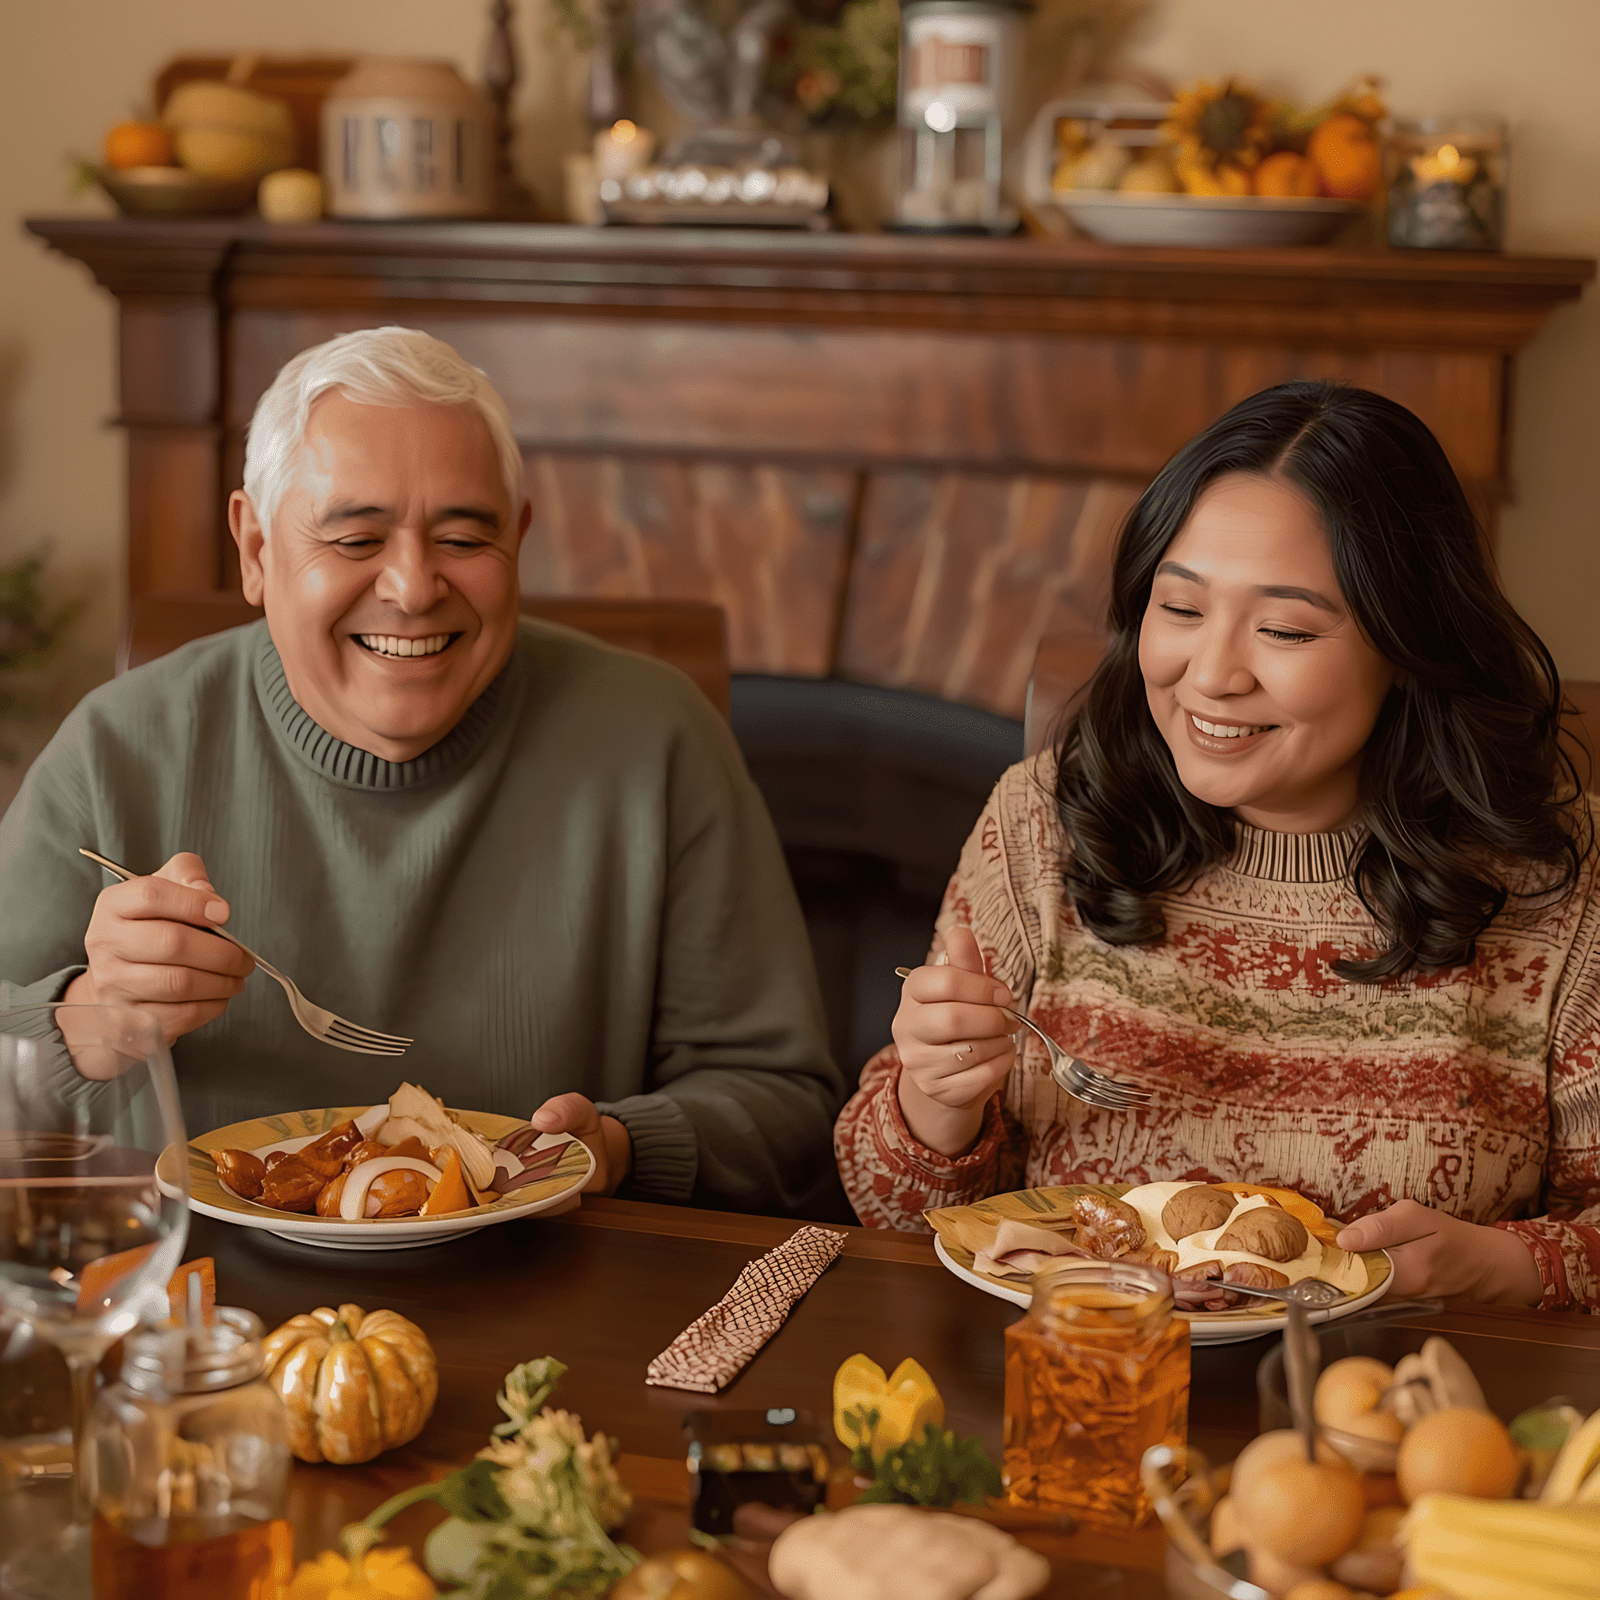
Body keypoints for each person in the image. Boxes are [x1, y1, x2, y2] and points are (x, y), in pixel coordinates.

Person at [0, 326, 844, 1217]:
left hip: (558, 1300)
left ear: (518, 539)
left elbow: (787, 1111)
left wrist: (625, 1147)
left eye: (463, 539)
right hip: (206, 1315)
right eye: (356, 539)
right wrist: (90, 1021)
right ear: (255, 550)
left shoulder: (657, 737)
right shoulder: (117, 746)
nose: (411, 586)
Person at [835, 380, 1600, 1312]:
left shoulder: (1555, 881)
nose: (1210, 676)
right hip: (1090, 1385)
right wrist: (937, 1106)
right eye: (1182, 610)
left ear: (1409, 642)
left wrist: (1506, 1267)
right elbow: (891, 1211)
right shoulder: (1045, 821)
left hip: (1388, 1416)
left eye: (1282, 629)